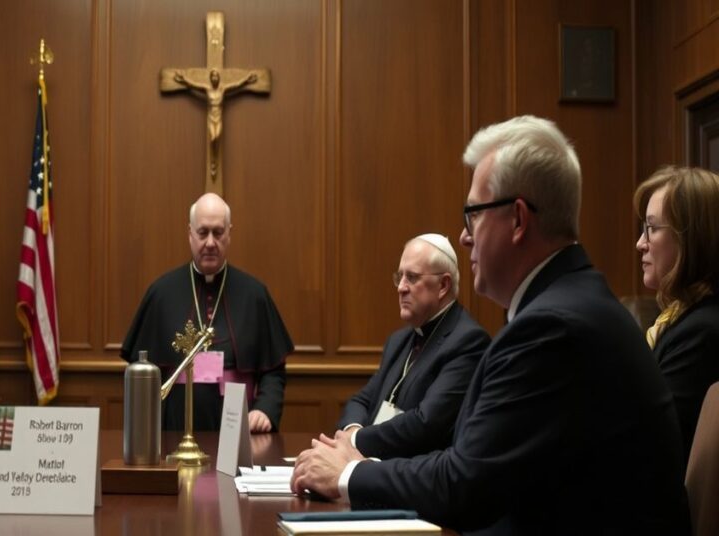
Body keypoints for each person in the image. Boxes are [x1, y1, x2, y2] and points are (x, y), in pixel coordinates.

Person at [291, 116, 690, 533]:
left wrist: (348, 475)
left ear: (518, 220)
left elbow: (466, 486)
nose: (465, 238)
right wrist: (361, 466)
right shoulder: (567, 304)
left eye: (473, 216)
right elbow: (469, 460)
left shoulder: (554, 327)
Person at [121, 193, 293, 433]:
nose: (210, 242)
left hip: (240, 429)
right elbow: (142, 373)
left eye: (218, 232)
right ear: (190, 233)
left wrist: (265, 409)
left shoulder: (254, 295)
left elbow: (274, 371)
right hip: (174, 429)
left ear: (229, 233)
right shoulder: (161, 293)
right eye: (203, 233)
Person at [338, 234, 488, 459]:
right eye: (400, 277)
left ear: (443, 285)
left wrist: (355, 441)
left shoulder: (468, 341)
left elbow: (426, 423)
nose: (401, 288)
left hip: (415, 479)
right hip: (371, 462)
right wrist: (352, 430)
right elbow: (362, 400)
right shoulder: (399, 340)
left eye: (412, 277)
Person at [635, 166, 719, 462]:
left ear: (691, 239)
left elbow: (653, 446)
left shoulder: (702, 332)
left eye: (652, 228)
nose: (640, 243)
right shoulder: (678, 319)